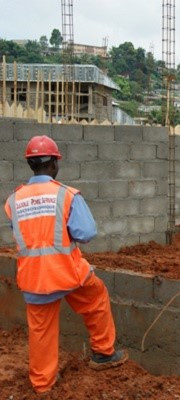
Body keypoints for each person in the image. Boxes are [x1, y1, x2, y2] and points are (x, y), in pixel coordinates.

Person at [3, 135, 128, 394]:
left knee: (41, 332)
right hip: (67, 273)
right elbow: (86, 233)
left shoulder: (14, 200)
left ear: (30, 165)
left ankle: (42, 385)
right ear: (54, 164)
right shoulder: (66, 194)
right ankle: (103, 353)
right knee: (96, 297)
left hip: (34, 280)